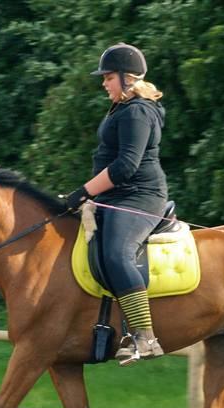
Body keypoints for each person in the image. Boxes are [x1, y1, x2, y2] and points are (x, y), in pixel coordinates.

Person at [64, 43, 168, 365]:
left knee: (116, 252)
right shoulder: (122, 109)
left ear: (127, 78)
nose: (103, 83)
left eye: (108, 77)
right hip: (116, 197)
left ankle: (145, 336)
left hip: (140, 197)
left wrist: (83, 192)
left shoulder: (137, 111)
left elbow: (126, 166)